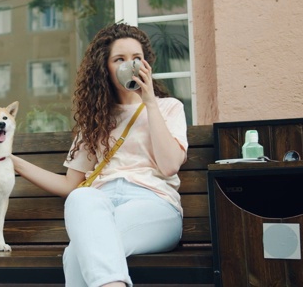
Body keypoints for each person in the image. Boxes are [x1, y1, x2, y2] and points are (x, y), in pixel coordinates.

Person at [10, 23, 188, 287]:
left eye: (137, 59)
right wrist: (15, 163)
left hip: (154, 205)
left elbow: (170, 165)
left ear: (147, 64)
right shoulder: (96, 121)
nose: (131, 65)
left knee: (76, 254)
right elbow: (71, 185)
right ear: (105, 68)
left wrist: (149, 101)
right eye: (120, 59)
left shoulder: (168, 107)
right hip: (99, 206)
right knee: (82, 197)